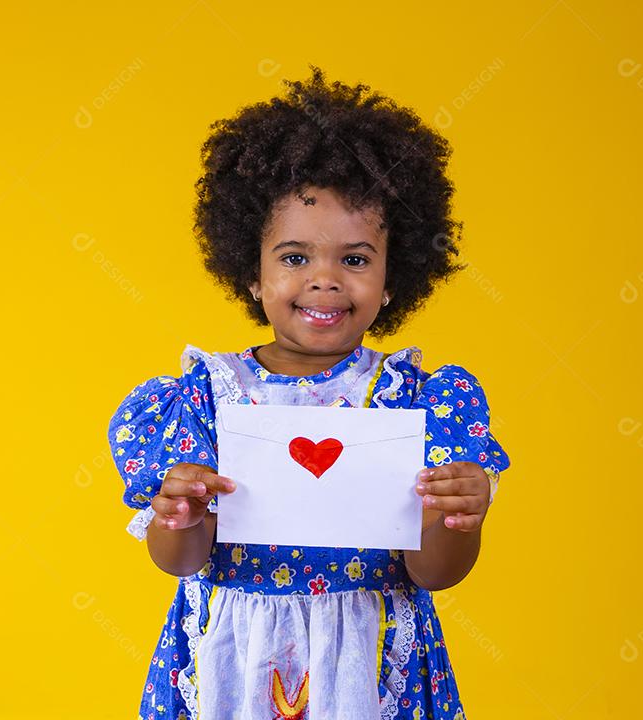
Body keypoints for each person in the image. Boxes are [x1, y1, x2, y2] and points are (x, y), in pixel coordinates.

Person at [107, 65, 511, 720]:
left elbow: (434, 573)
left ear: (391, 280)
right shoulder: (205, 397)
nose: (324, 280)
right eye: (295, 257)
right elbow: (178, 561)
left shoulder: (414, 401)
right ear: (251, 275)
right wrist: (178, 515)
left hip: (370, 659)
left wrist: (460, 518)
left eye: (354, 260)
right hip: (234, 657)